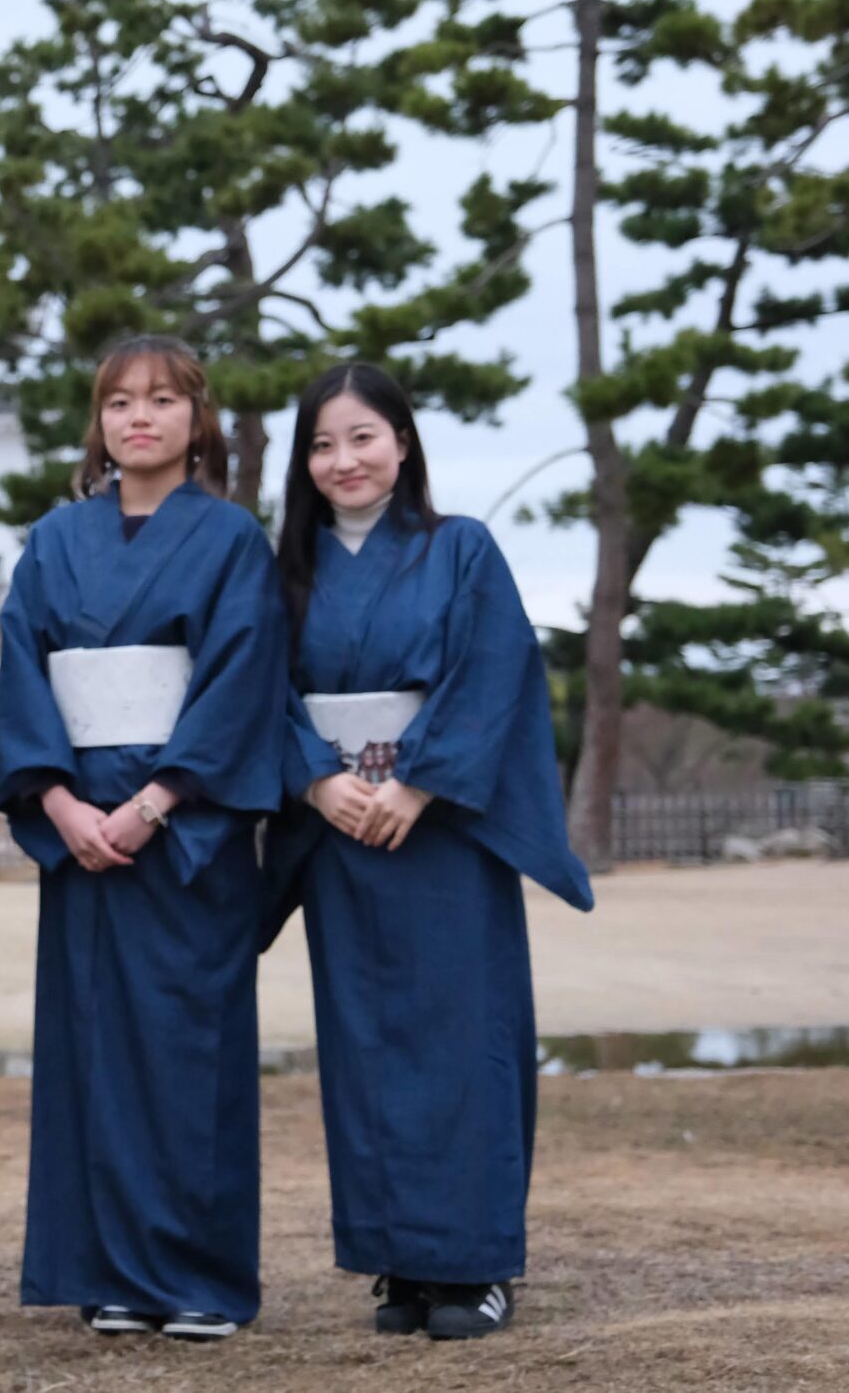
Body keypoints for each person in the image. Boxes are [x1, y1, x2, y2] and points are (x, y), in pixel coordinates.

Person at [264, 361, 594, 1342]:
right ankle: (399, 1262)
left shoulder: (461, 550)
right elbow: (259, 690)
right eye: (322, 444)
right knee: (362, 1046)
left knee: (462, 1040)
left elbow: (494, 672)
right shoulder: (287, 571)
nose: (344, 460)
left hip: (440, 833)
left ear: (402, 443)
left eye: (362, 436)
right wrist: (316, 781)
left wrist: (416, 782)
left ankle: (476, 1262)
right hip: (338, 833)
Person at [0, 334, 289, 1343]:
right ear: (99, 422)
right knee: (92, 1053)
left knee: (189, 1050)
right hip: (81, 831)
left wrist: (155, 801)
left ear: (197, 420)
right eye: (120, 401)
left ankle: (201, 1277)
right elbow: (23, 673)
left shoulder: (232, 539)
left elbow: (242, 678)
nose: (140, 418)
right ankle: (110, 1272)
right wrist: (61, 805)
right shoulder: (53, 541)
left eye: (163, 399)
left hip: (186, 834)